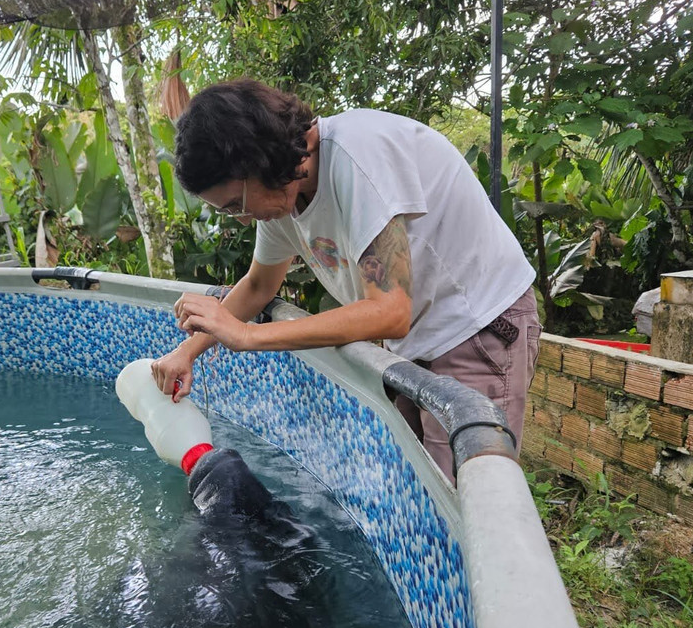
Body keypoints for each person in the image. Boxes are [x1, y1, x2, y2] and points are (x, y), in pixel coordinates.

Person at [151, 79, 540, 477]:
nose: (244, 219)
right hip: (413, 342)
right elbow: (258, 286)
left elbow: (389, 311)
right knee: (408, 488)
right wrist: (187, 352)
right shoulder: (281, 198)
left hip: (476, 327)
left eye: (237, 204)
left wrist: (247, 336)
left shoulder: (359, 154)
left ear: (259, 161)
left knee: (456, 503)